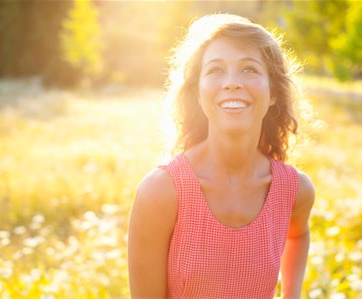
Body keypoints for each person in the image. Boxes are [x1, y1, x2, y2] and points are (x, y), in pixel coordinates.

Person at [128, 13, 315, 299]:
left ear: (273, 92)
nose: (232, 83)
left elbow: (298, 234)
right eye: (215, 70)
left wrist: (292, 294)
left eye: (249, 69)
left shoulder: (295, 190)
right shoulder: (161, 192)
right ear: (199, 93)